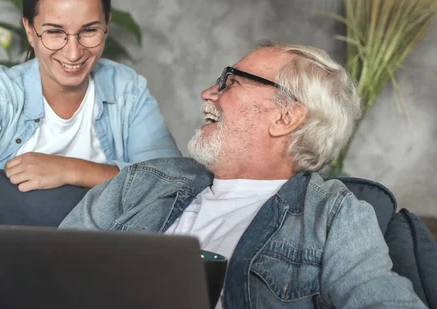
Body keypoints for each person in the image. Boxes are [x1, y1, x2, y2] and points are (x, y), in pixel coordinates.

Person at [59, 41, 426, 308]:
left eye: (230, 82)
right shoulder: (143, 181)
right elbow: (49, 271)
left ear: (286, 117)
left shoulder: (333, 216)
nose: (208, 93)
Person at [0, 0, 180, 226]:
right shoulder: (0, 94)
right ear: (29, 29)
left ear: (106, 25)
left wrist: (73, 170)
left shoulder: (128, 91)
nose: (73, 52)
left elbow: (173, 183)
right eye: (54, 32)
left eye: (89, 30)